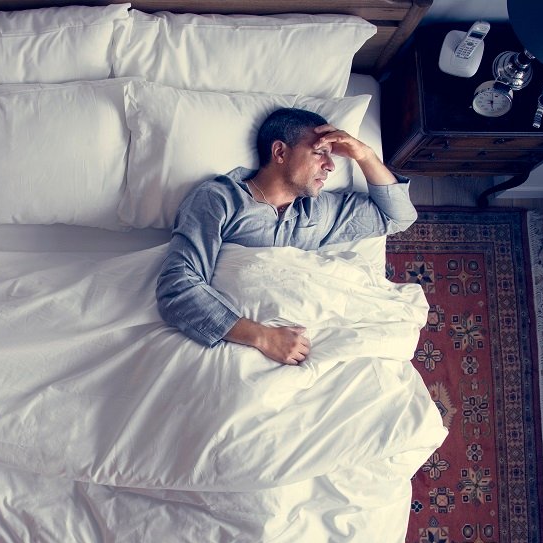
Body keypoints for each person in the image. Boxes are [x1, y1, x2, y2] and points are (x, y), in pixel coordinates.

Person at [155, 107, 418, 366]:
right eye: (319, 153)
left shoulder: (318, 211)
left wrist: (365, 155)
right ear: (280, 152)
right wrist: (262, 337)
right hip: (242, 345)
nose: (330, 166)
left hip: (310, 347)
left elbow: (397, 216)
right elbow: (177, 286)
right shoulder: (220, 199)